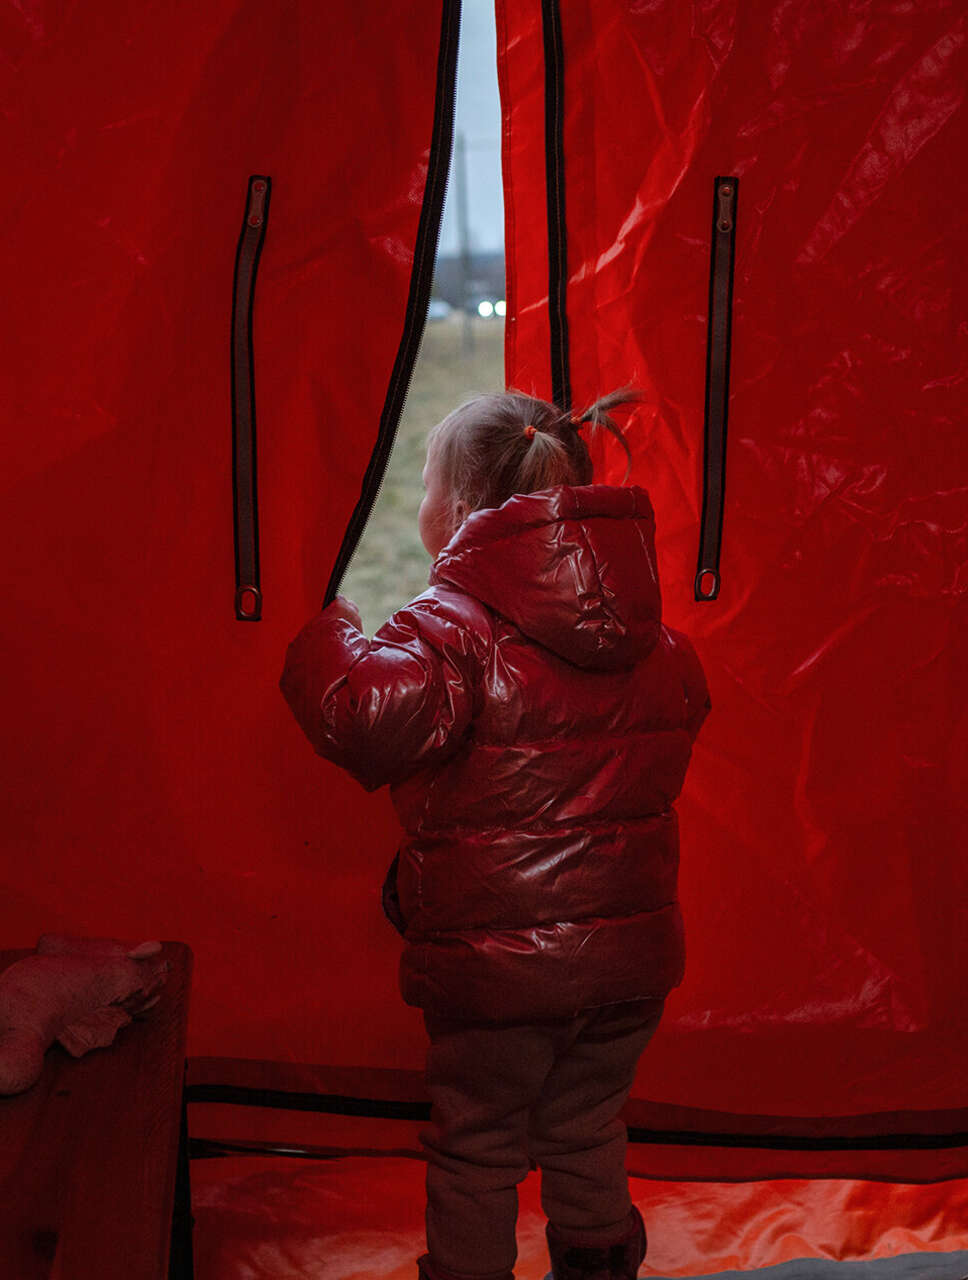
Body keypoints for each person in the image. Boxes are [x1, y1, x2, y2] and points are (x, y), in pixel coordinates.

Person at [279, 389, 710, 1280]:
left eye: (430, 485)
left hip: (500, 975)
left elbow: (361, 716)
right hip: (629, 967)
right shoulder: (657, 642)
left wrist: (333, 626)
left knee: (478, 1148)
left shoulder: (454, 633)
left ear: (462, 510)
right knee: (587, 1127)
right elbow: (684, 712)